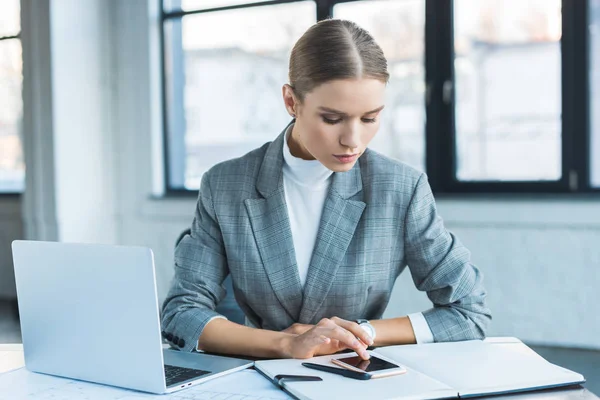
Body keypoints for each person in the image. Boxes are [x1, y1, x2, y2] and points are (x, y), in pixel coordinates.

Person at [161, 19, 491, 361]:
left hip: (357, 379)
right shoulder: (225, 185)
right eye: (332, 119)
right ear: (291, 101)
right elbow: (182, 314)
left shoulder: (400, 189)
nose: (353, 140)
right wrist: (285, 344)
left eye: (369, 119)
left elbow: (468, 312)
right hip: (257, 379)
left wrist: (358, 332)